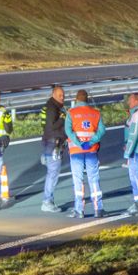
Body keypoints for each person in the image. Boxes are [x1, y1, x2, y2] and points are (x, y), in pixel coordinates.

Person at [64, 88, 105, 218]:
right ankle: (98, 209)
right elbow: (102, 130)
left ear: (76, 99)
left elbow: (68, 131)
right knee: (94, 179)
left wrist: (78, 142)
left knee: (78, 180)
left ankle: (79, 210)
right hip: (91, 150)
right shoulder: (96, 113)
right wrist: (91, 141)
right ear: (87, 99)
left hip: (76, 151)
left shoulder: (71, 113)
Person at [38, 84, 67, 212]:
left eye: (63, 95)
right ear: (53, 95)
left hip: (49, 143)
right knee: (53, 173)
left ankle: (48, 200)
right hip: (52, 144)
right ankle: (47, 201)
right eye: (60, 95)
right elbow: (52, 126)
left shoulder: (53, 106)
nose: (62, 97)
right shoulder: (52, 108)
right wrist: (62, 118)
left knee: (52, 172)